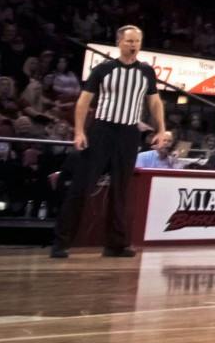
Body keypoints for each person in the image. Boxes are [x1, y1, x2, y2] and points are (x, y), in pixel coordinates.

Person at [50, 25, 163, 259]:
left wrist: (162, 128)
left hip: (129, 133)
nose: (134, 45)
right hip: (103, 130)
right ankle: (61, 243)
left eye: (137, 41)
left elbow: (154, 102)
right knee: (82, 186)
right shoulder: (104, 69)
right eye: (130, 41)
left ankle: (116, 244)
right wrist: (80, 132)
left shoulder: (146, 71)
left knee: (121, 190)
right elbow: (83, 102)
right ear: (119, 42)